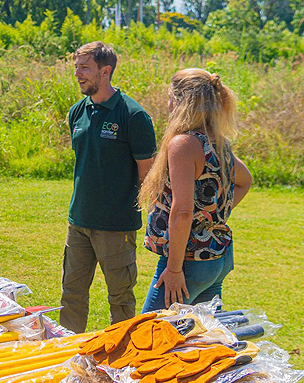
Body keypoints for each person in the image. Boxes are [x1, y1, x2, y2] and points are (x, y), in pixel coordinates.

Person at [59, 42, 157, 334]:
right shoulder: (78, 112)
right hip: (79, 222)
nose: (78, 74)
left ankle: (123, 359)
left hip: (116, 227)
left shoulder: (133, 115)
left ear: (106, 71)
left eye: (85, 68)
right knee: (71, 296)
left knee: (121, 300)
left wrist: (151, 220)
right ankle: (67, 354)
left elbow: (148, 176)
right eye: (76, 67)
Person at [140, 68, 253, 311]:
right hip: (216, 260)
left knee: (148, 337)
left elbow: (182, 211)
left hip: (189, 262)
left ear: (180, 101)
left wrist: (173, 269)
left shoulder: (184, 144)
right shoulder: (217, 141)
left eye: (170, 97)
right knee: (201, 339)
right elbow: (245, 180)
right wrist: (210, 218)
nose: (167, 102)